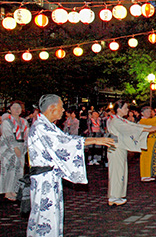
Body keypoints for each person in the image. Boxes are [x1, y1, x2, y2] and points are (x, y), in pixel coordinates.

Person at [27, 94, 113, 237]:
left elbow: (65, 139)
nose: (63, 111)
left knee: (52, 214)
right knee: (45, 216)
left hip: (50, 177)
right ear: (52, 108)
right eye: (61, 107)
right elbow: (64, 143)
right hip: (44, 179)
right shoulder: (41, 127)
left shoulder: (48, 126)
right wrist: (94, 141)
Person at [106, 100, 156, 206]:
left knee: (120, 171)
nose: (127, 110)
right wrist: (149, 129)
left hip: (119, 147)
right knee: (117, 172)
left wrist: (150, 129)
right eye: (125, 108)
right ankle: (114, 196)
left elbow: (133, 126)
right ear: (119, 109)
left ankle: (116, 196)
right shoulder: (116, 121)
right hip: (116, 147)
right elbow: (132, 128)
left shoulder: (119, 120)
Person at [0, 102, 29, 201]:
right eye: (14, 107)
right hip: (9, 149)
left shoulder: (24, 122)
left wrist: (25, 147)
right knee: (9, 169)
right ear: (10, 109)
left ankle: (15, 190)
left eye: (19, 108)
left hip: (21, 146)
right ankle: (7, 191)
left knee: (19, 169)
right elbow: (7, 135)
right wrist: (14, 147)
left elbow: (27, 135)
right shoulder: (6, 122)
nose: (17, 110)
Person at [139, 106, 156, 182]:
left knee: (152, 158)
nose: (149, 113)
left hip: (153, 141)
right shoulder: (143, 121)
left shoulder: (151, 120)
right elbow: (151, 123)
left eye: (150, 111)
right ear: (142, 113)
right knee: (146, 158)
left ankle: (149, 174)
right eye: (147, 111)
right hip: (146, 141)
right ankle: (145, 175)